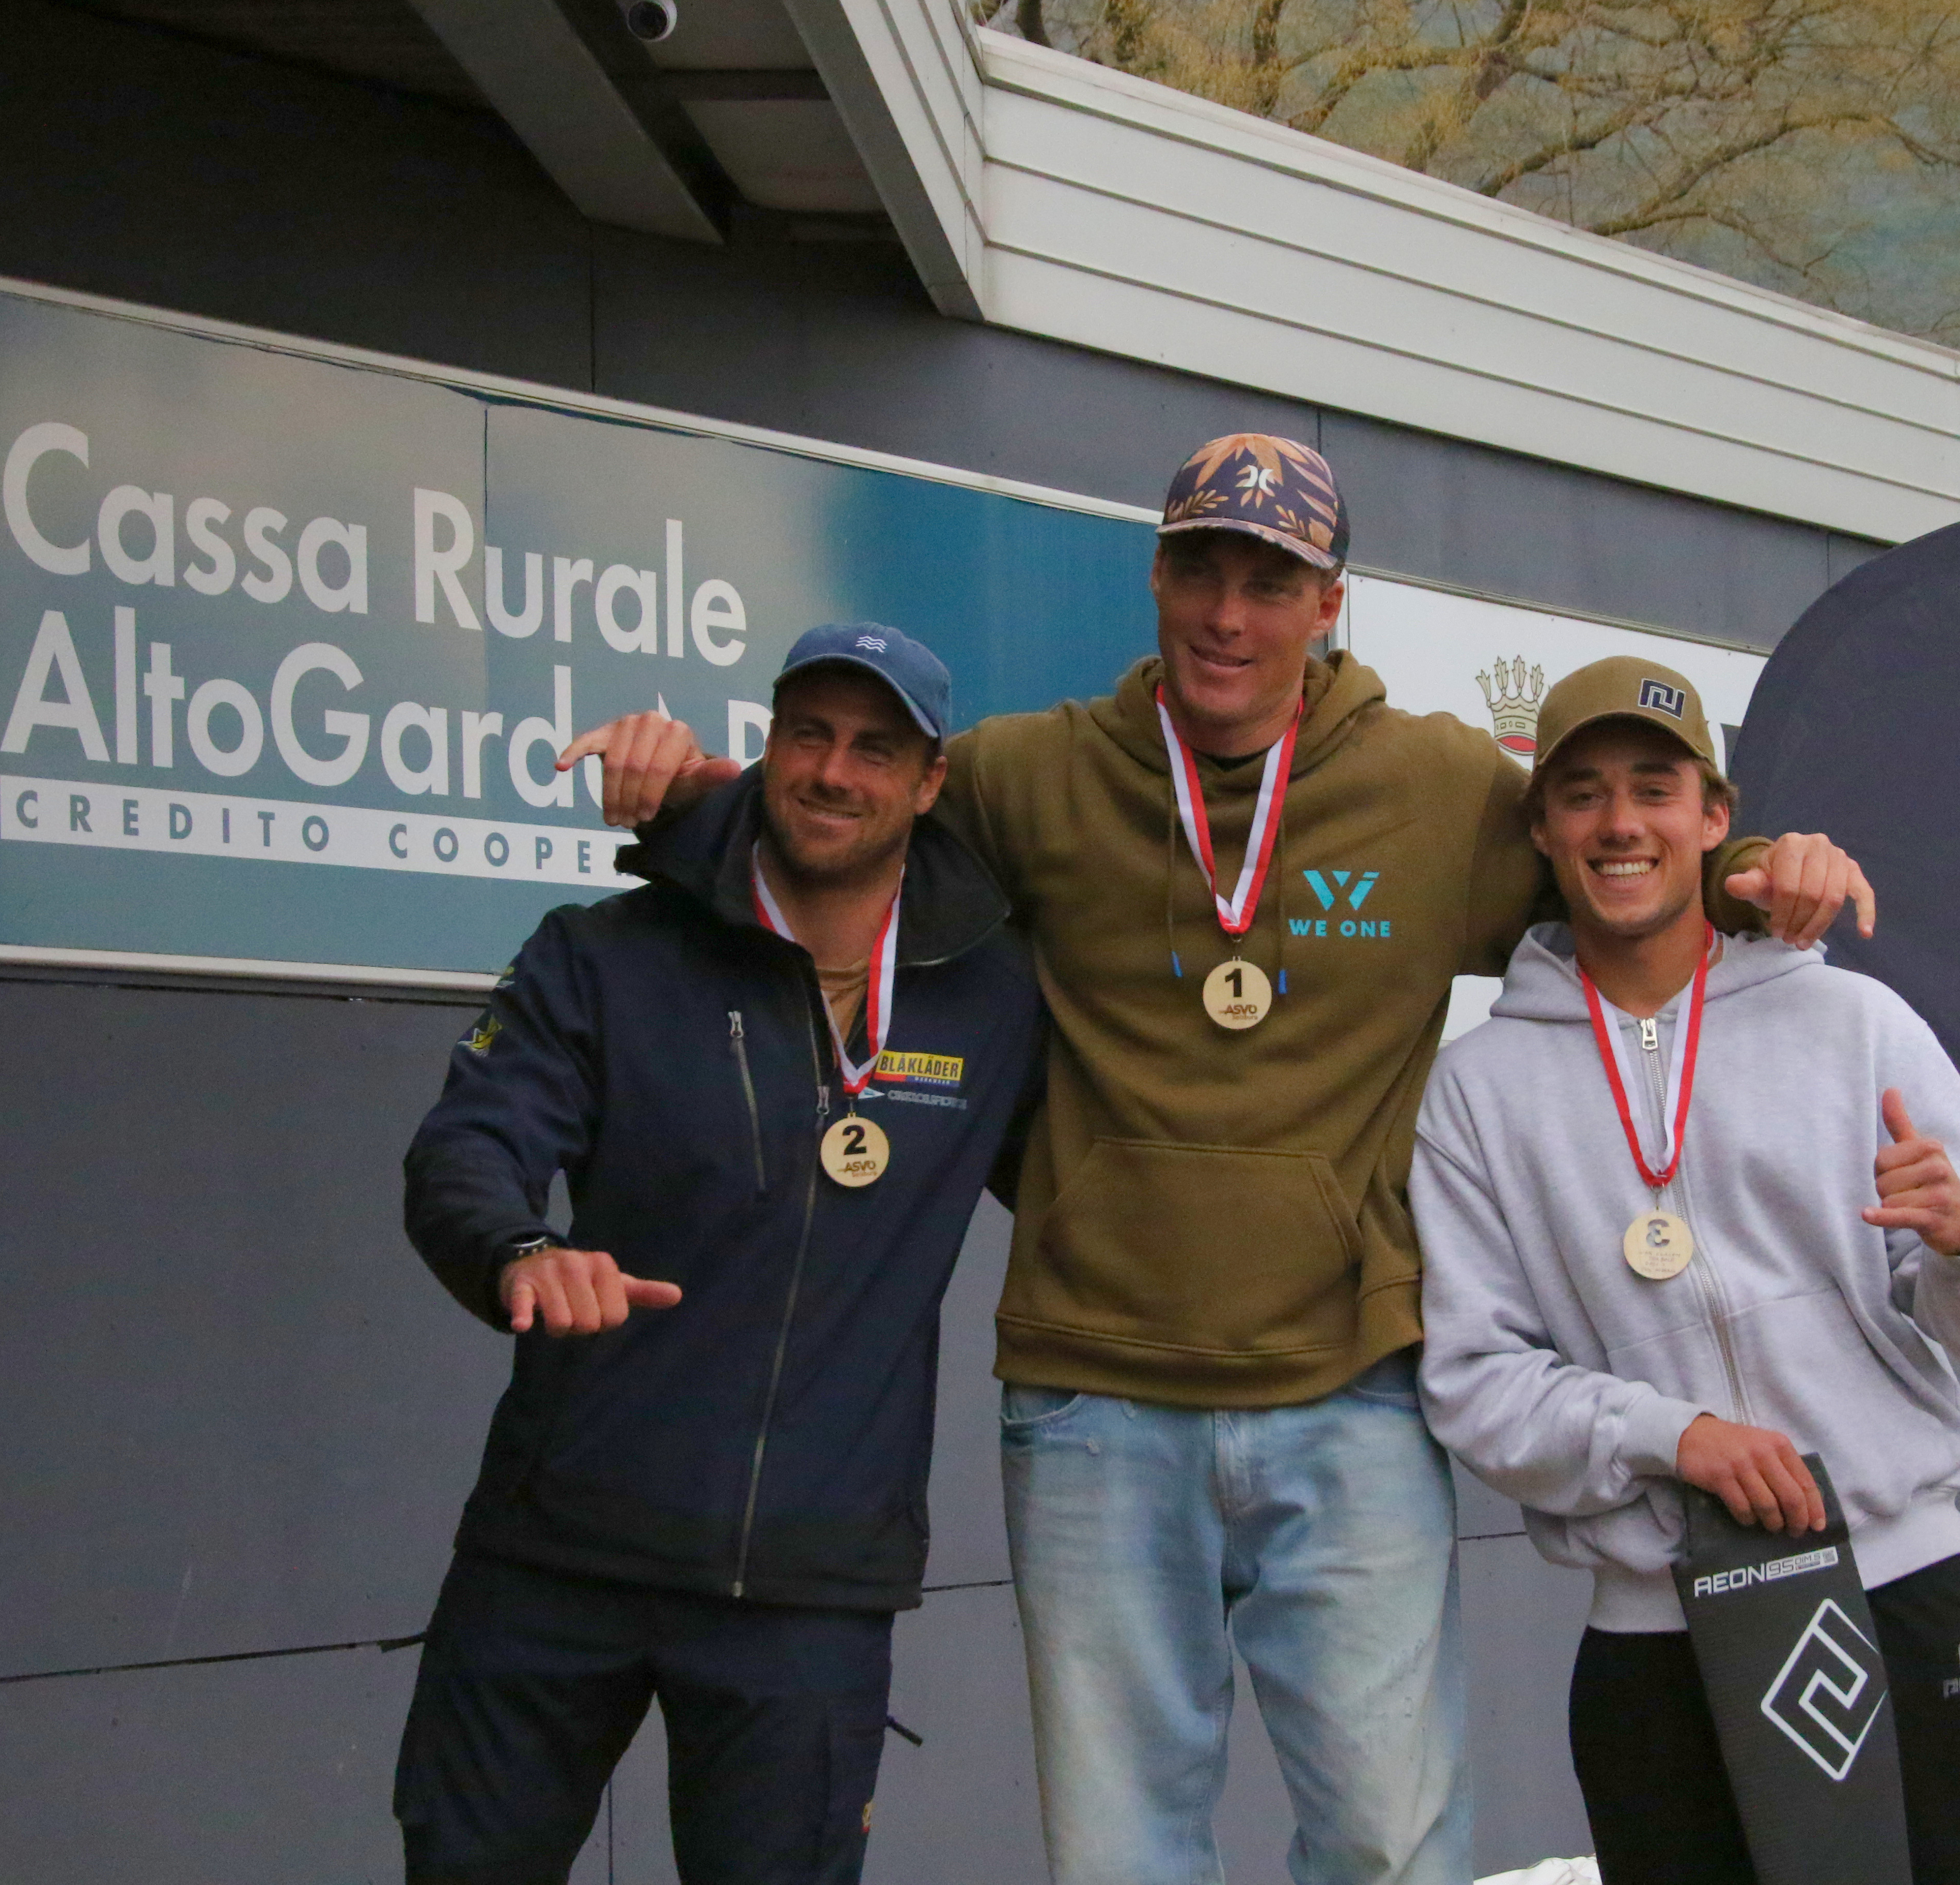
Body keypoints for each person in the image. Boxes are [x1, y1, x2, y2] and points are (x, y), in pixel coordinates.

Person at [568, 436, 1876, 1885]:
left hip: (1355, 1393)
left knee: (1391, 1848)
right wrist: (691, 790)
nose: (1229, 616)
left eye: (1271, 582)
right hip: (1093, 1402)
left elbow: (1619, 865)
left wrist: (1753, 872)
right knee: (1122, 1856)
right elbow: (845, 823)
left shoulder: (1437, 785)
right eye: (1201, 570)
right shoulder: (1033, 775)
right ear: (1157, 577)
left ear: (1330, 605)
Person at [1410, 654, 1960, 1885]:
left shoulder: (1853, 1024)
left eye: (1655, 789)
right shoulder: (1478, 1090)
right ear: (1543, 830)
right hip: (1661, 1641)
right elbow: (1474, 1383)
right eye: (1583, 794)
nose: (1621, 823)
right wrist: (1673, 1435)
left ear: (1715, 819)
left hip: (1905, 1585)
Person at [395, 624, 1040, 1885]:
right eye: (809, 735)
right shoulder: (605, 954)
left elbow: (1103, 1179)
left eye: (875, 748)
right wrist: (519, 1252)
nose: (834, 772)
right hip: (559, 1551)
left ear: (931, 783)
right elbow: (467, 1147)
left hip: (809, 1588)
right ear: (769, 747)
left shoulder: (997, 995)